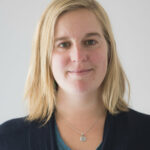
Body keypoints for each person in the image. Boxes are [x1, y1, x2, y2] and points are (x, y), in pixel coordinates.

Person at [0, 0, 150, 149]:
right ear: (45, 56)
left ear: (109, 49)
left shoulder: (145, 132)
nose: (78, 56)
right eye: (63, 44)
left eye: (90, 42)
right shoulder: (9, 140)